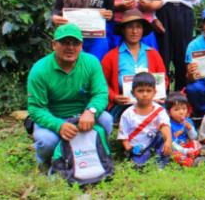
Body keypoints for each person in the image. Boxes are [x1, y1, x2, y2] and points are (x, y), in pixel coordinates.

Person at [26, 24, 112, 166]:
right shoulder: (39, 69)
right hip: (53, 116)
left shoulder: (91, 62)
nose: (70, 48)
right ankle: (45, 161)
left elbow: (101, 93)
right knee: (47, 141)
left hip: (83, 115)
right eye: (65, 43)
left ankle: (96, 154)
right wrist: (59, 125)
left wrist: (91, 111)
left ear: (81, 46)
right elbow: (36, 109)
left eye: (75, 43)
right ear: (54, 45)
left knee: (107, 120)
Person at [101, 9, 168, 121]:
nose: (134, 31)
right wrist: (114, 97)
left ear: (142, 30)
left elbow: (163, 80)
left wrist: (156, 94)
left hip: (151, 101)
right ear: (123, 30)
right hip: (123, 105)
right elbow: (102, 83)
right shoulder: (111, 56)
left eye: (138, 27)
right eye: (130, 27)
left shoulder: (153, 54)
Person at [117, 72, 173, 168]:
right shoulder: (127, 114)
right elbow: (124, 137)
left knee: (161, 137)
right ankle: (142, 162)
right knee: (139, 164)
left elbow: (165, 126)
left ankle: (160, 163)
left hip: (154, 144)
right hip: (137, 148)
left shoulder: (159, 110)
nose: (145, 94)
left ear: (154, 92)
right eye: (140, 91)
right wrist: (130, 149)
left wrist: (168, 141)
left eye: (148, 90)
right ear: (133, 93)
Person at [166, 92, 203, 167]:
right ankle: (191, 162)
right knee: (174, 155)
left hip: (186, 146)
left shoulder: (188, 121)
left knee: (196, 144)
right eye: (176, 109)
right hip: (176, 148)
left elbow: (194, 137)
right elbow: (171, 144)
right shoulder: (168, 124)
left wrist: (190, 128)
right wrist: (185, 151)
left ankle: (196, 156)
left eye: (184, 108)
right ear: (169, 113)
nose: (181, 112)